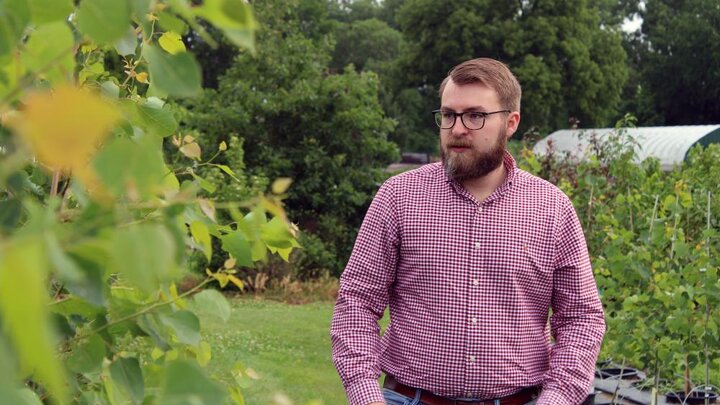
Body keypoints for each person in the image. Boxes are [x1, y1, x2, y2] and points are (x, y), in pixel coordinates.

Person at [330, 57, 605, 405]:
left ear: (511, 122)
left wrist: (558, 398)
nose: (457, 128)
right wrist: (365, 394)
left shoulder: (551, 208)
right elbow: (357, 301)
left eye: (476, 115)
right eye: (448, 115)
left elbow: (581, 317)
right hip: (410, 397)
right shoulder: (399, 197)